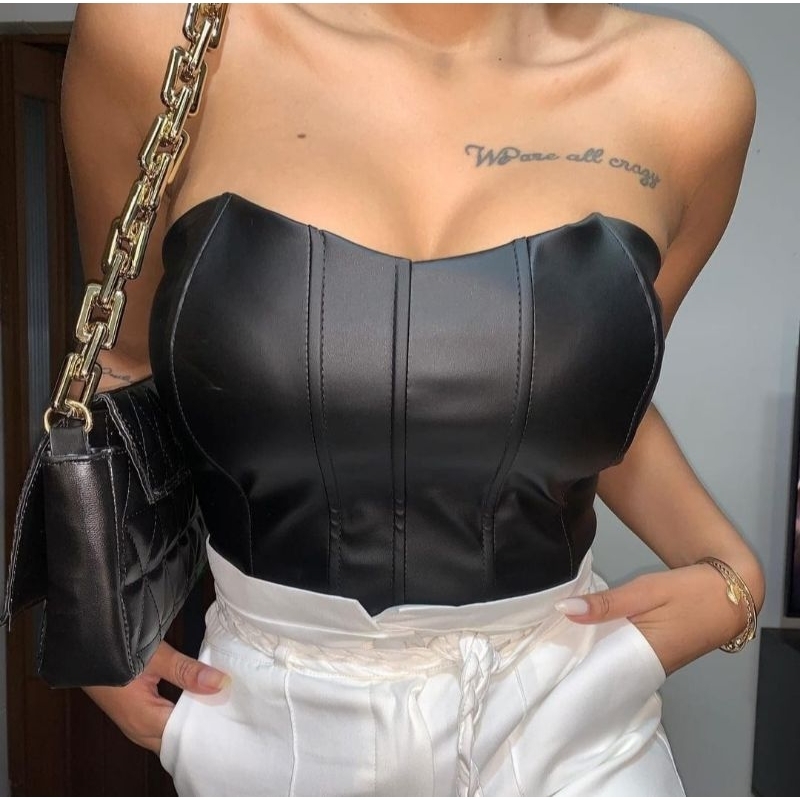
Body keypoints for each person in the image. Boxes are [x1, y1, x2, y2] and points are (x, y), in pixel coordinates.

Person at [60, 3, 764, 795]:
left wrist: (732, 572)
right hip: (273, 719)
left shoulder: (687, 94)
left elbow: (583, 407)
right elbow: (117, 360)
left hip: (570, 715)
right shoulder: (160, 33)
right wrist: (90, 607)